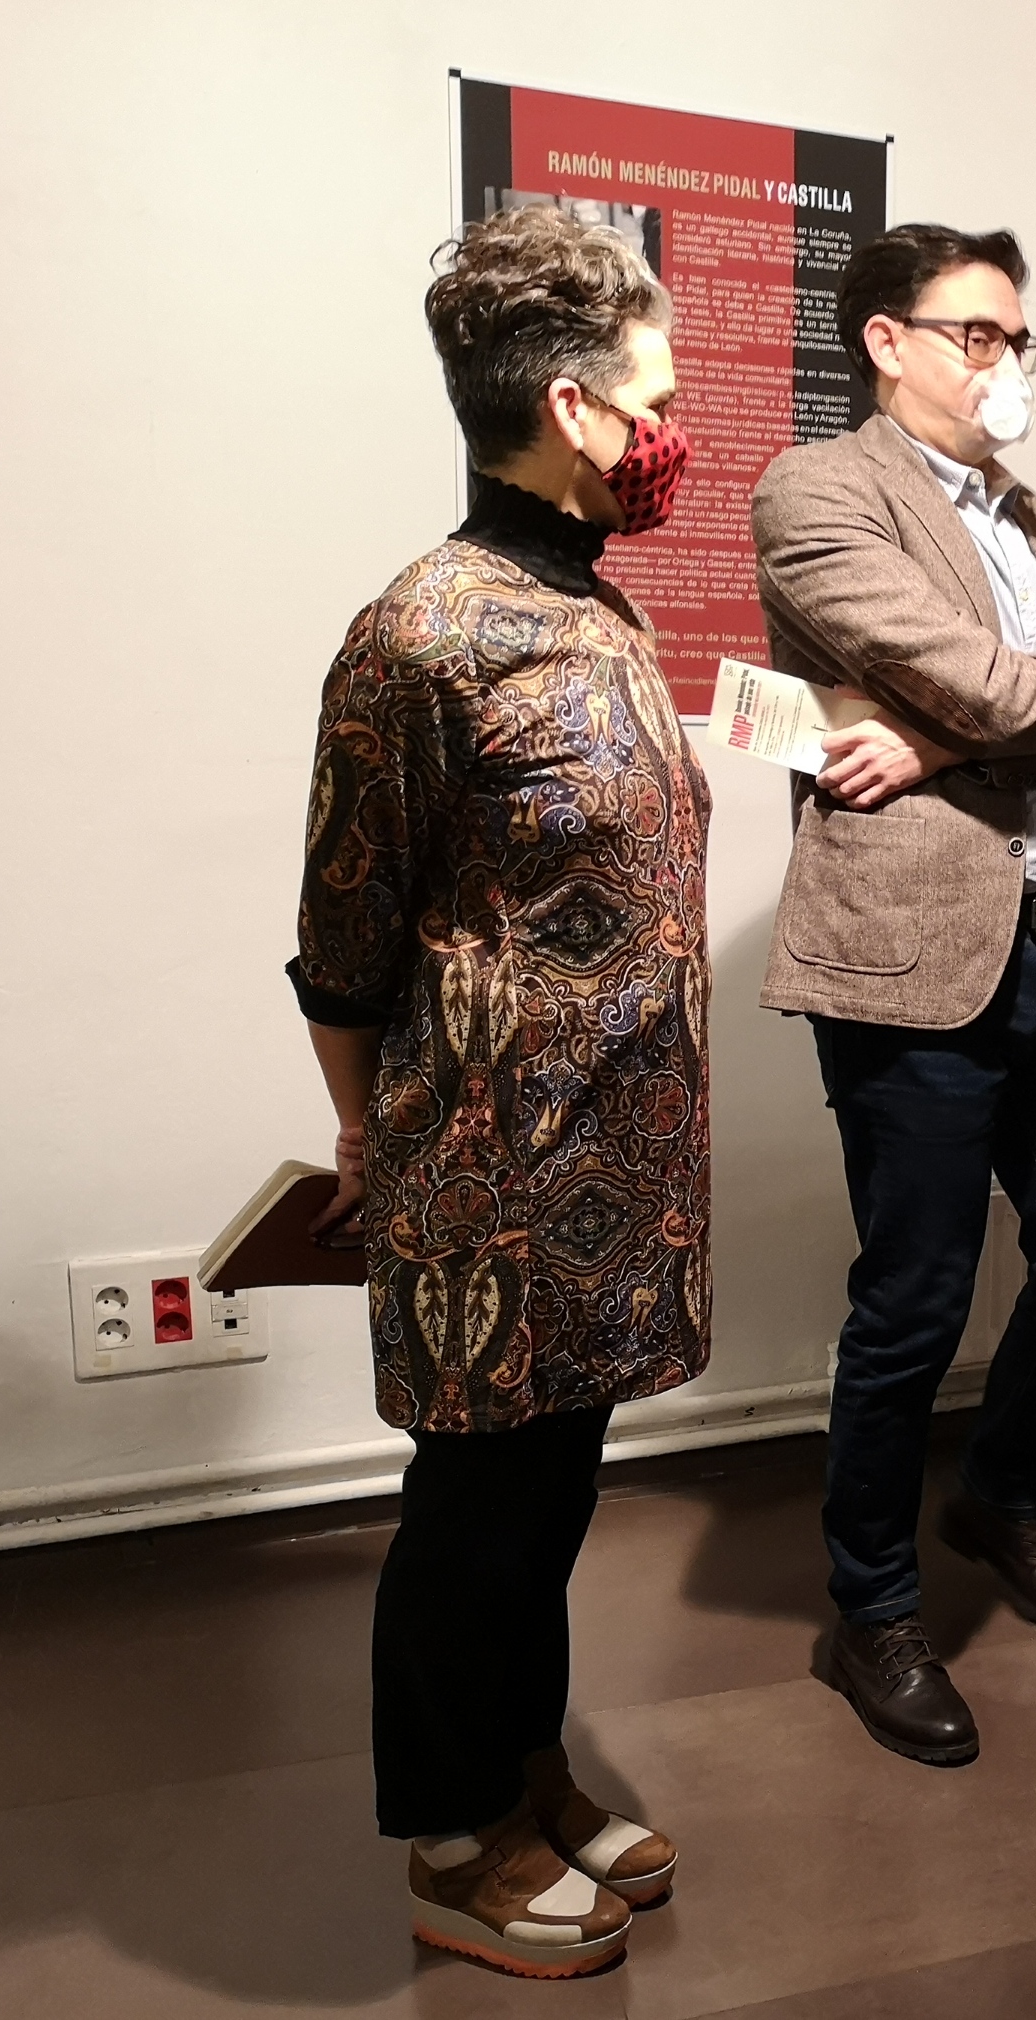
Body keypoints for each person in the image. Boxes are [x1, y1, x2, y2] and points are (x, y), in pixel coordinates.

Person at [291, 205, 707, 1976]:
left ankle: (526, 1769)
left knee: (552, 1503)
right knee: (472, 1520)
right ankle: (455, 1838)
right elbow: (341, 940)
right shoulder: (422, 633)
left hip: (610, 1168)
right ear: (573, 407)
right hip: (482, 1176)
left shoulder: (593, 605)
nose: (673, 431)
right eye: (656, 401)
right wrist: (363, 1137)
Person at [752, 225, 1036, 1768]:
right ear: (887, 341)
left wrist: (935, 741)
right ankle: (872, 1608)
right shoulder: (816, 492)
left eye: (1017, 339)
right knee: (915, 1300)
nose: (1005, 363)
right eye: (977, 335)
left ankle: (998, 1489)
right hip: (909, 955)